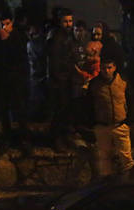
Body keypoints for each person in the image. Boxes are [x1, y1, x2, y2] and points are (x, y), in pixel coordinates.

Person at [88, 57, 133, 180]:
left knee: (126, 157)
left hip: (120, 125)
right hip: (102, 126)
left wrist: (129, 121)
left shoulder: (123, 82)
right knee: (104, 158)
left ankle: (127, 183)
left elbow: (131, 100)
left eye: (109, 67)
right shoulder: (94, 84)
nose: (106, 71)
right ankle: (105, 186)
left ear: (114, 68)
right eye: (103, 68)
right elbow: (88, 104)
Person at [0, 12, 30, 150]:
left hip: (16, 80)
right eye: (2, 24)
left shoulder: (17, 36)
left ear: (12, 23)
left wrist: (7, 40)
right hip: (3, 80)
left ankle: (24, 139)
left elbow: (20, 57)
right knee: (4, 110)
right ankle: (7, 137)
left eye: (7, 23)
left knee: (19, 109)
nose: (5, 27)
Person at [46, 8, 78, 152]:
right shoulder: (56, 37)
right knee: (59, 111)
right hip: (59, 81)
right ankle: (56, 139)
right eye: (65, 21)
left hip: (67, 79)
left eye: (70, 21)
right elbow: (54, 61)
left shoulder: (68, 36)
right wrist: (60, 78)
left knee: (65, 111)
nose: (68, 24)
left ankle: (64, 138)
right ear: (60, 22)